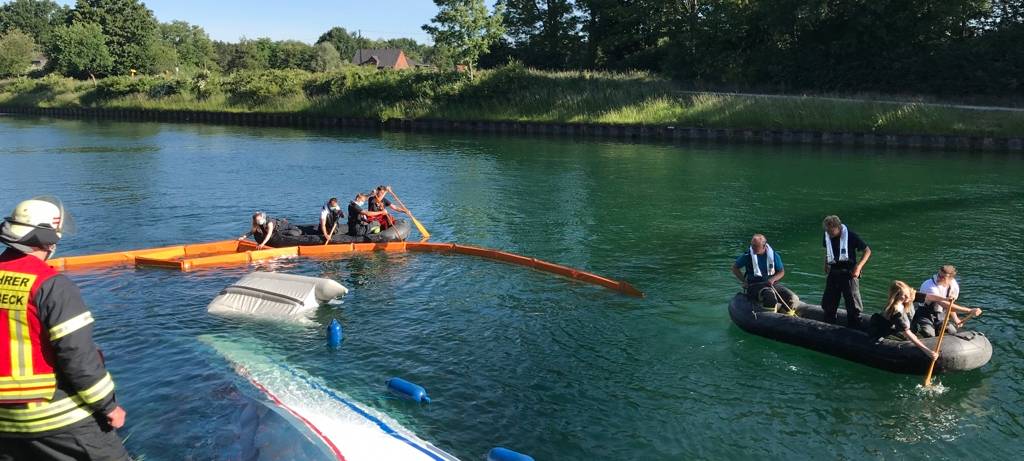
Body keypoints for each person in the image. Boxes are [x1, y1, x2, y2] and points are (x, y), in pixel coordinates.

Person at [0, 197, 130, 460]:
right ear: (48, 240)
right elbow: (78, 357)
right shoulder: (51, 285)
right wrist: (109, 407)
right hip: (56, 418)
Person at [869, 281, 946, 359]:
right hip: (885, 332)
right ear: (896, 295)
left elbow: (929, 297)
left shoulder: (907, 298)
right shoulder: (895, 311)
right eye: (904, 295)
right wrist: (927, 351)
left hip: (899, 328)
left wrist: (945, 299)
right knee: (912, 339)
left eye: (908, 294)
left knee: (922, 334)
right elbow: (907, 333)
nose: (908, 297)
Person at [821, 215, 872, 327]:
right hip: (834, 272)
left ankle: (855, 327)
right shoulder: (827, 236)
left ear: (838, 227)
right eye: (827, 231)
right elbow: (828, 251)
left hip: (849, 273)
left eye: (831, 230)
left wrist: (859, 267)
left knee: (853, 304)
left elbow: (867, 251)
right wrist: (825, 264)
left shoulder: (851, 236)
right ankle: (829, 325)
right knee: (829, 302)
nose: (829, 233)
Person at [730, 234, 799, 313]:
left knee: (793, 298)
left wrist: (772, 279)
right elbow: (735, 268)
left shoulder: (773, 256)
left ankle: (787, 316)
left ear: (764, 246)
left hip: (772, 284)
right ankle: (770, 316)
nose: (753, 248)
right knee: (769, 297)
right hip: (755, 285)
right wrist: (744, 281)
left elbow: (781, 272)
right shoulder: (747, 256)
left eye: (756, 246)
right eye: (752, 245)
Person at [912, 265, 984, 338]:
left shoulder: (953, 286)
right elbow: (944, 304)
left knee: (951, 331)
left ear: (951, 278)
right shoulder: (929, 285)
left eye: (942, 277)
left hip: (941, 314)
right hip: (925, 314)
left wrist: (956, 319)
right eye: (939, 275)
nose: (938, 278)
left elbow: (950, 305)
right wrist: (969, 310)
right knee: (929, 333)